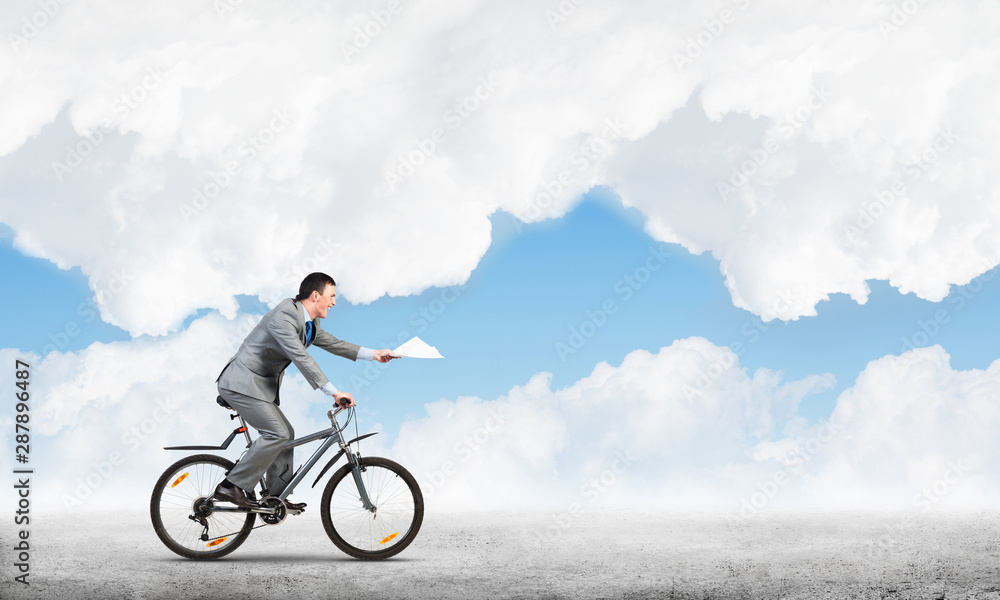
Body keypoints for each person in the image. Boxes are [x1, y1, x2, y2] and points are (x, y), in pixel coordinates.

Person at [212, 272, 397, 511]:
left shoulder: (309, 321)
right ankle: (230, 486)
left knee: (285, 435)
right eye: (331, 296)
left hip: (259, 386)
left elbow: (333, 343)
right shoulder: (284, 316)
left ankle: (275, 498)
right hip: (240, 384)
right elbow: (300, 357)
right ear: (315, 295)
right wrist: (333, 392)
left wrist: (374, 353)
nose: (334, 302)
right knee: (277, 433)